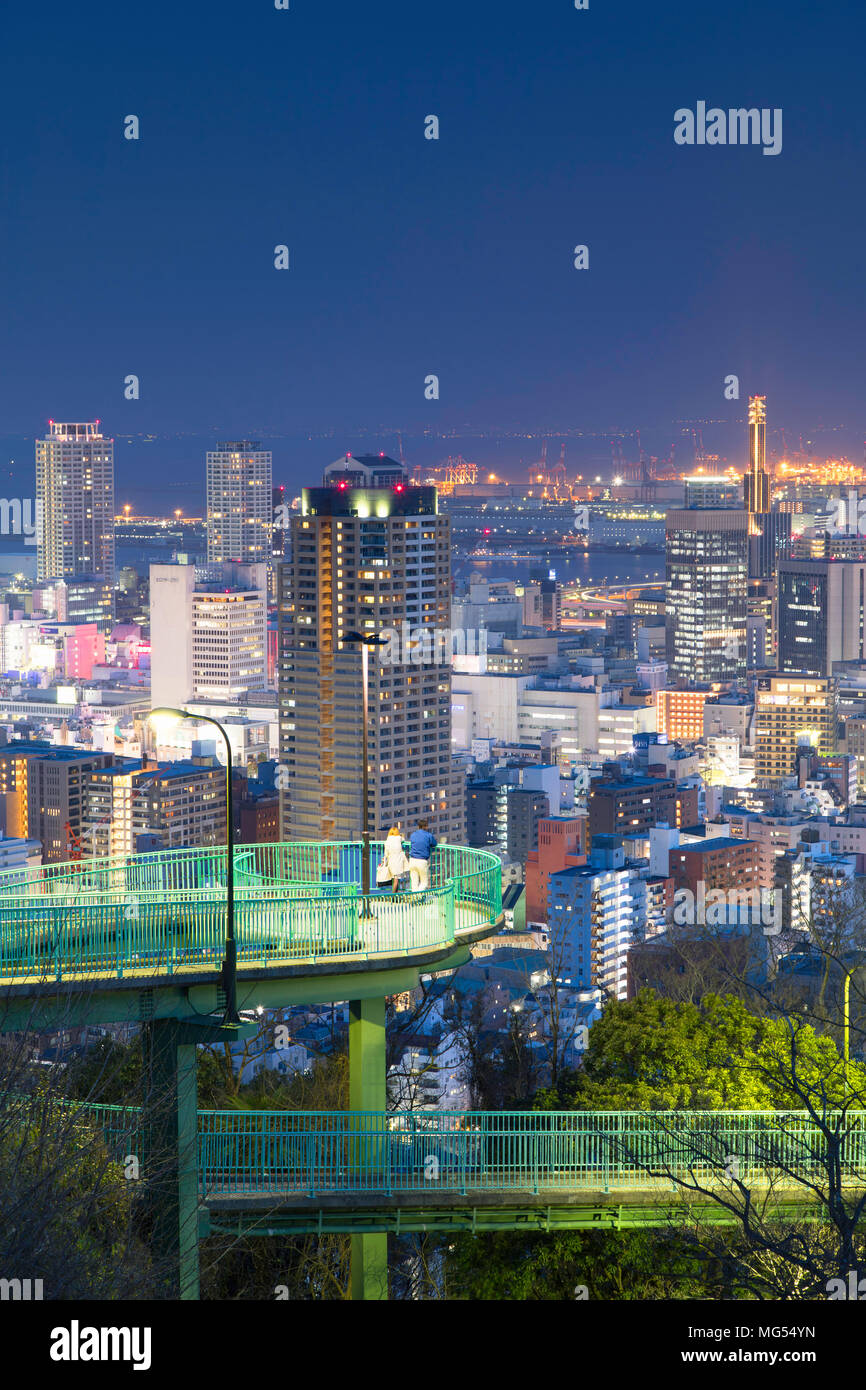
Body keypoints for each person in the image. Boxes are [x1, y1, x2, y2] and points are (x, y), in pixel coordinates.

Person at [408, 819, 437, 892]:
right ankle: (418, 896)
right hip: (422, 861)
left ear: (418, 826)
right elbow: (434, 844)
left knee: (414, 882)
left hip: (412, 860)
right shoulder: (428, 835)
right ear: (426, 826)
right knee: (424, 882)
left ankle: (414, 899)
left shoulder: (413, 835)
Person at [382, 825, 409, 892]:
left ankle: (395, 894)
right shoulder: (399, 838)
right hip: (399, 861)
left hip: (391, 861)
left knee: (394, 879)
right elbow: (403, 839)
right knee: (397, 879)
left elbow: (386, 854)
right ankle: (394, 895)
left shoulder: (387, 841)